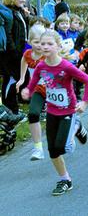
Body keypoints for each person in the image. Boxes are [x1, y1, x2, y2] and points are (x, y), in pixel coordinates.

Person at [22, 29, 88, 196]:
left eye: (49, 44)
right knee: (53, 150)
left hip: (68, 110)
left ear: (58, 46)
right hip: (52, 111)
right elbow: (33, 83)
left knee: (63, 147)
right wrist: (28, 91)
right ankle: (65, 179)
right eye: (42, 43)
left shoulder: (66, 66)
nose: (45, 47)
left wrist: (85, 101)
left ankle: (76, 126)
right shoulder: (41, 66)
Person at [16, 24, 46, 160]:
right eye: (36, 42)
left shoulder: (49, 54)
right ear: (29, 42)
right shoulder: (28, 54)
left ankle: (74, 126)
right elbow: (24, 61)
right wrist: (22, 79)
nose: (40, 45)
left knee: (58, 118)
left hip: (54, 90)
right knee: (33, 114)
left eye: (42, 42)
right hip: (37, 90)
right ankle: (38, 148)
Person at [1, 0, 31, 113]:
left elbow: (24, 30)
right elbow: (8, 34)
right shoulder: (9, 13)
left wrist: (27, 16)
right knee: (11, 79)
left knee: (22, 78)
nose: (22, 0)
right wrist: (14, 51)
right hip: (10, 54)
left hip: (20, 51)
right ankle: (10, 109)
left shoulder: (20, 11)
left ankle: (15, 107)